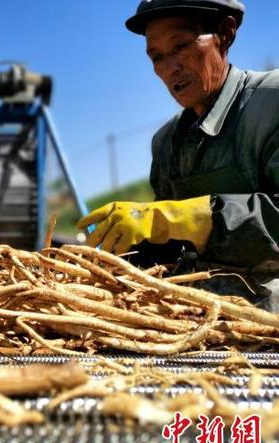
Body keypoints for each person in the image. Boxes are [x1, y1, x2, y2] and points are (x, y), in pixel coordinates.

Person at [76, 0, 279, 311]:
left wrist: (185, 217)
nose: (170, 67)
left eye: (181, 45)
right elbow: (166, 252)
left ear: (225, 33)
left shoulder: (270, 103)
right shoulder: (167, 143)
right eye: (156, 57)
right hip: (190, 314)